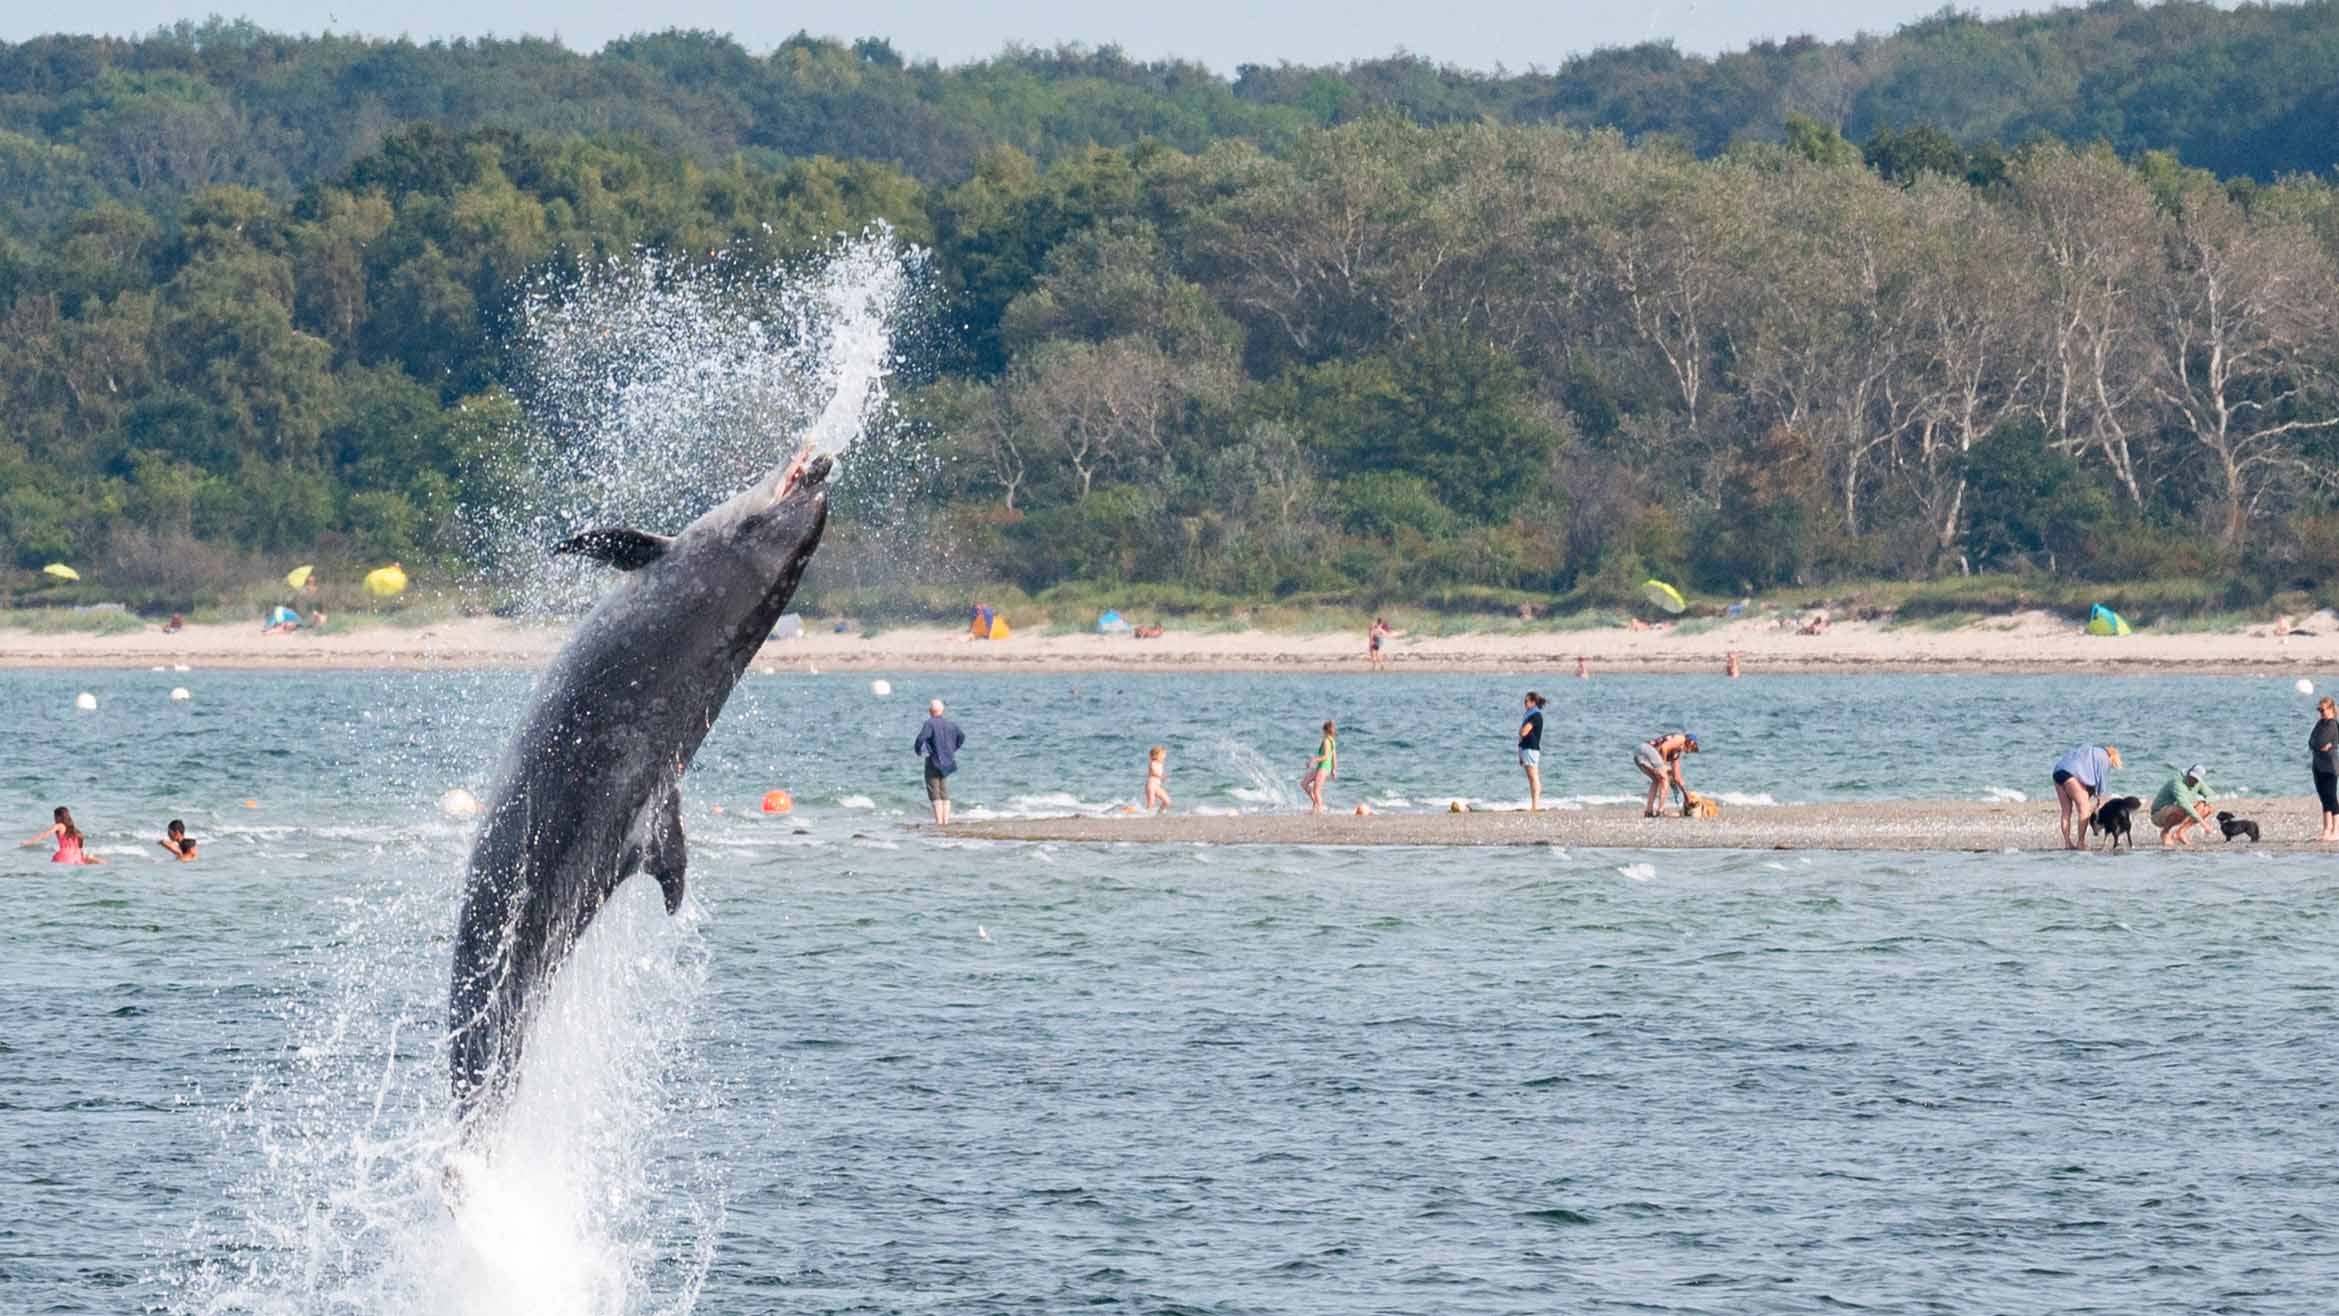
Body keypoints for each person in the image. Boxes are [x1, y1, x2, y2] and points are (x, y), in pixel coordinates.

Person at [2050, 744, 2122, 851]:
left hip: (2058, 771)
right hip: (2071, 775)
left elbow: (2084, 771)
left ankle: (2067, 843)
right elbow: (2100, 781)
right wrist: (2098, 799)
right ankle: (2081, 842)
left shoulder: (2091, 751)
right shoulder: (2105, 758)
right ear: (2112, 758)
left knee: (2066, 811)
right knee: (2084, 810)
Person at [913, 699, 964, 826]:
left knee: (934, 790)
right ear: (942, 711)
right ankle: (945, 821)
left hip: (933, 760)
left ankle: (939, 822)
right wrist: (953, 749)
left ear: (930, 711)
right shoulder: (951, 724)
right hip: (948, 760)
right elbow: (961, 736)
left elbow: (921, 738)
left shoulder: (929, 723)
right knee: (944, 790)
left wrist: (918, 751)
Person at [1633, 732, 1700, 818]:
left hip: (1638, 755)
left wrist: (1687, 796)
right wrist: (1663, 766)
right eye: (1692, 748)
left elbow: (1677, 777)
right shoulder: (1681, 738)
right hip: (1646, 749)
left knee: (1656, 780)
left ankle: (1648, 811)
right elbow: (1664, 748)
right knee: (1665, 779)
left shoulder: (1676, 754)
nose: (1688, 752)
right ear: (1691, 742)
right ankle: (1660, 811)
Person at [2151, 764, 2214, 848]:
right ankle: (2165, 832)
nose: (2193, 781)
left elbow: (2212, 795)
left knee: (2207, 808)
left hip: (2178, 812)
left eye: (2196, 780)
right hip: (2158, 814)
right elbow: (2184, 804)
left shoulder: (2197, 782)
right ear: (2188, 773)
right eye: (2192, 778)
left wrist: (2204, 801)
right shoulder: (2177, 783)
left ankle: (2181, 833)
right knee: (2181, 808)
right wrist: (2204, 824)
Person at [22, 806, 103, 865]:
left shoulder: (59, 826)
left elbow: (45, 835)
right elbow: (79, 847)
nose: (54, 819)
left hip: (64, 857)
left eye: (55, 817)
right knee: (89, 859)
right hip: (77, 857)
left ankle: (91, 858)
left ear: (59, 817)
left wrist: (29, 842)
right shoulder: (75, 830)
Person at [1517, 692, 1548, 812]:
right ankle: (1534, 805)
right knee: (1531, 778)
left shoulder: (1535, 715)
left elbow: (1524, 732)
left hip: (1531, 748)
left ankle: (1535, 806)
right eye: (1524, 701)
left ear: (1533, 702)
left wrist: (1521, 730)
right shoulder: (1529, 715)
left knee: (1534, 777)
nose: (1525, 704)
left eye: (1527, 701)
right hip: (1526, 748)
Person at [2315, 699, 2339, 843]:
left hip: (2330, 766)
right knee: (2324, 797)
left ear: (2331, 709)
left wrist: (2329, 744)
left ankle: (2336, 830)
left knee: (2331, 796)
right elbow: (2312, 741)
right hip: (2318, 765)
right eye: (2319, 710)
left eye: (2323, 710)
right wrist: (2321, 745)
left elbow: (2322, 742)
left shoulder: (2333, 724)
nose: (2321, 713)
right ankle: (2326, 828)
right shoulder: (2320, 724)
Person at [1302, 721, 1338, 814]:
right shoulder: (1332, 741)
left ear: (1325, 731)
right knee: (1304, 783)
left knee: (1316, 791)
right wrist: (1334, 769)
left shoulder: (1326, 741)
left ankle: (1320, 810)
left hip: (1323, 768)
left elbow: (1326, 756)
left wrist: (1313, 760)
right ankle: (1315, 803)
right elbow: (1334, 757)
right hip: (1323, 768)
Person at [1144, 745, 1173, 814]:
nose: (1164, 757)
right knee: (1151, 801)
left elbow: (1159, 774)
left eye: (1164, 755)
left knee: (1167, 801)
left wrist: (1163, 778)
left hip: (1157, 786)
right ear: (1155, 755)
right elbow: (1154, 772)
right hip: (1150, 785)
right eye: (1162, 755)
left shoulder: (1160, 764)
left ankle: (1160, 812)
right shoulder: (1153, 763)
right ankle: (1147, 814)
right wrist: (1161, 777)